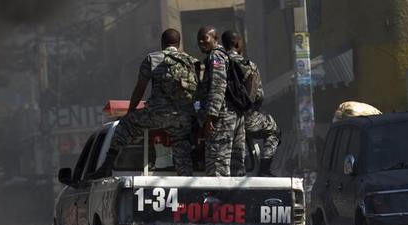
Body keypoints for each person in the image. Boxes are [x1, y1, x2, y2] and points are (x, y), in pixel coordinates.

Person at [94, 28, 197, 177]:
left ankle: (107, 166)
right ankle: (187, 185)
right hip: (182, 118)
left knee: (124, 124)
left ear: (162, 43)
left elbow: (139, 89)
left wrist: (130, 113)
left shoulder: (153, 58)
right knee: (182, 149)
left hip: (156, 115)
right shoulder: (190, 61)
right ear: (179, 43)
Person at [223, 30, 279, 176]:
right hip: (246, 118)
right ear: (237, 43)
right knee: (273, 130)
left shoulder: (216, 63)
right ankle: (264, 168)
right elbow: (258, 96)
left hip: (221, 118)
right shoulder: (249, 65)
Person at [195, 26, 242, 177]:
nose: (201, 42)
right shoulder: (221, 55)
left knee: (217, 166)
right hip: (228, 115)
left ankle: (218, 199)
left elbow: (218, 85)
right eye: (199, 39)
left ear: (215, 39)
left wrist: (211, 116)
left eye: (205, 38)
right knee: (233, 167)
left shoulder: (216, 56)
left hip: (220, 118)